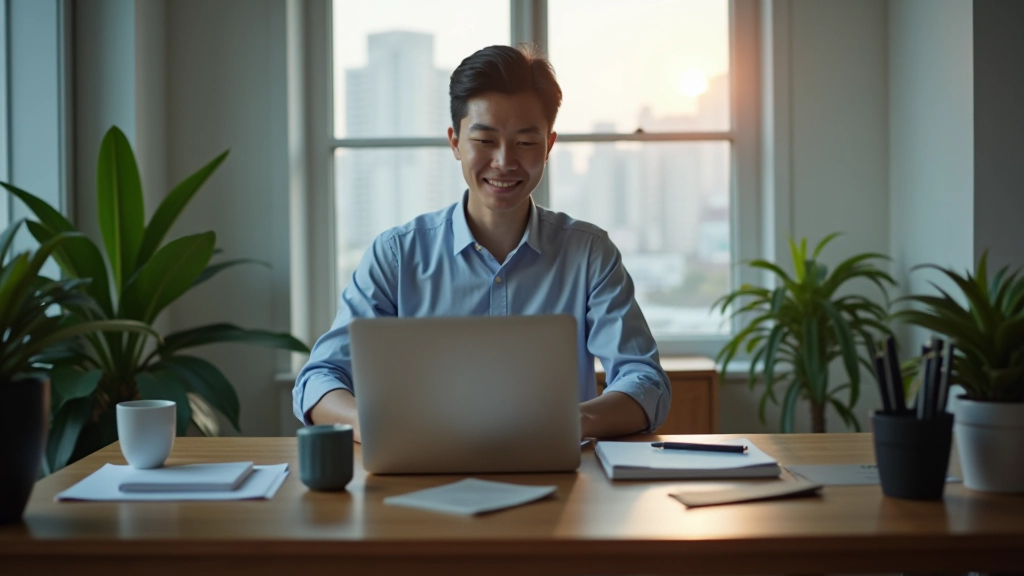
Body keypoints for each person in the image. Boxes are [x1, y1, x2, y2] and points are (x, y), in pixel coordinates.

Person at [293, 44, 670, 442]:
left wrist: (570, 422)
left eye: (525, 142)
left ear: (549, 145)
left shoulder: (589, 253)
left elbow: (644, 379)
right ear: (455, 142)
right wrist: (379, 426)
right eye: (485, 141)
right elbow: (320, 378)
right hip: (418, 474)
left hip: (558, 478)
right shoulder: (396, 256)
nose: (505, 161)